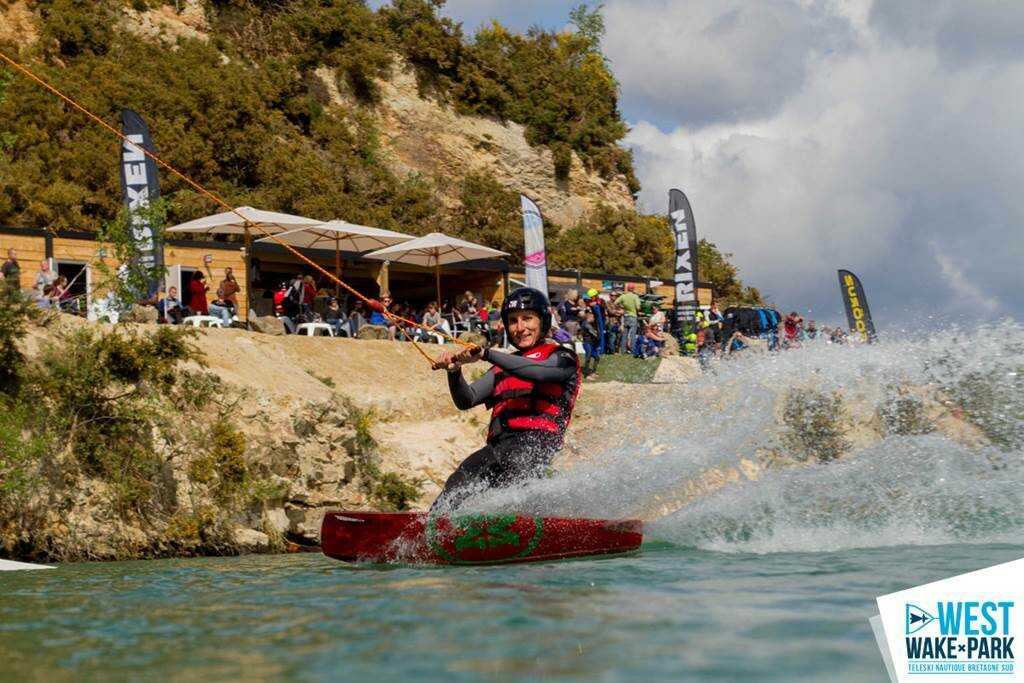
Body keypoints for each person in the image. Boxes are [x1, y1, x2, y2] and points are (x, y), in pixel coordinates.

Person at [431, 287, 580, 512]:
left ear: (543, 321)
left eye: (527, 319)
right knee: (458, 482)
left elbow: (538, 372)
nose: (520, 328)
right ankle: (432, 528)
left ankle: (531, 519)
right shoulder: (501, 368)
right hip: (498, 447)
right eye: (513, 321)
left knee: (516, 465)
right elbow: (466, 399)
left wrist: (487, 354)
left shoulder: (562, 357)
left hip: (535, 445)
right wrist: (454, 371)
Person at [614, 284, 641, 354]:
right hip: (633, 316)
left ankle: (623, 350)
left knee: (624, 335)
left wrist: (622, 307)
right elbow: (638, 308)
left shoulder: (623, 296)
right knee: (632, 334)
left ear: (627, 288)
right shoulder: (635, 296)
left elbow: (615, 303)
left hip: (625, 316)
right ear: (633, 289)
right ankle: (632, 351)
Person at [580, 307, 601, 377]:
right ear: (589, 317)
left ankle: (593, 372)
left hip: (592, 343)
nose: (594, 319)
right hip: (587, 343)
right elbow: (592, 332)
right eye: (593, 318)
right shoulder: (585, 324)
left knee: (597, 358)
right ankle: (586, 374)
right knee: (588, 358)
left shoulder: (591, 324)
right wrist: (597, 336)